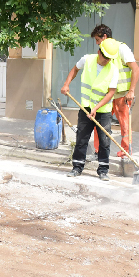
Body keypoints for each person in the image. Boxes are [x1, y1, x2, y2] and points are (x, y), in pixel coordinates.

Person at [60, 38, 121, 180]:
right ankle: (77, 167)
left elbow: (111, 92)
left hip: (103, 110)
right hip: (85, 106)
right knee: (82, 137)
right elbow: (75, 69)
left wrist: (97, 108)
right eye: (105, 57)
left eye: (109, 58)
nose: (107, 60)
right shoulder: (87, 60)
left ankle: (103, 170)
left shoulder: (113, 69)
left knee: (104, 140)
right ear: (99, 52)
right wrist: (66, 84)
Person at [89, 24, 139, 158]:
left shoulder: (122, 48)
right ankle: (98, 151)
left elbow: (135, 69)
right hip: (107, 94)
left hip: (121, 94)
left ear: (104, 37)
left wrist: (131, 91)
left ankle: (126, 151)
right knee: (99, 123)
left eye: (97, 40)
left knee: (124, 123)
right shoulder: (102, 51)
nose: (97, 43)